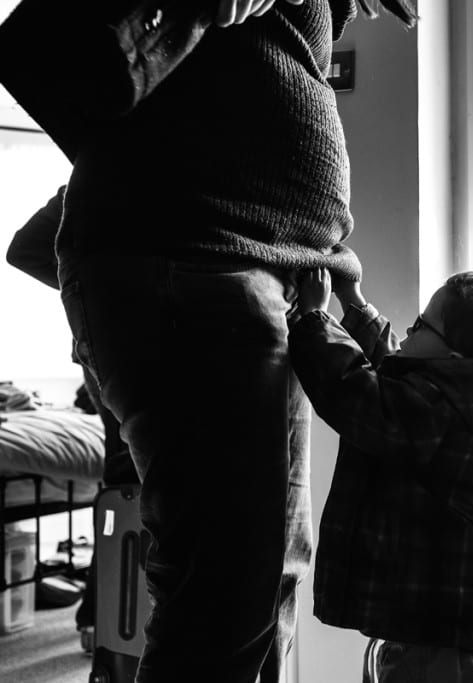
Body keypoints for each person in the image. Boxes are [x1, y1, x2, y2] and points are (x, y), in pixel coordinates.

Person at [48, 0, 416, 680]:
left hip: (257, 276)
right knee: (223, 603)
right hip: (200, 266)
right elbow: (57, 58)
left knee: (268, 581)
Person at [288, 268, 473, 683]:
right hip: (432, 630)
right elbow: (396, 367)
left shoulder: (438, 416)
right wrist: (353, 302)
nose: (410, 327)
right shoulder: (465, 405)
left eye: (423, 324)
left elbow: (356, 390)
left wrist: (313, 319)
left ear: (456, 360)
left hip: (431, 637)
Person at [5, 185, 139, 645]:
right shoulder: (113, 170)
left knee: (126, 482)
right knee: (134, 487)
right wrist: (85, 290)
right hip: (128, 348)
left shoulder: (94, 173)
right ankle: (113, 629)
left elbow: (23, 251)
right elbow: (22, 251)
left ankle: (101, 622)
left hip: (104, 347)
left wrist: (86, 291)